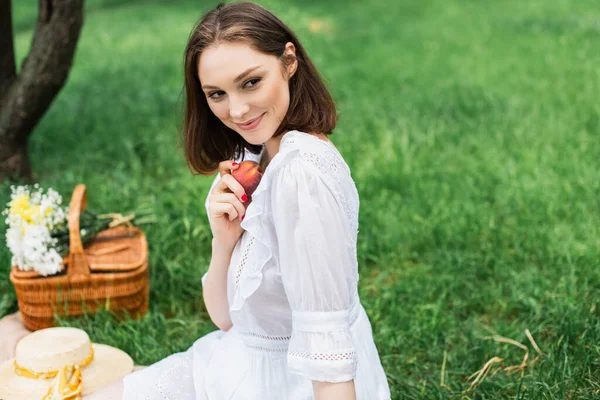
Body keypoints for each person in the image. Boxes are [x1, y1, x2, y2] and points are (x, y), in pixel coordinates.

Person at [89, 2, 391, 399]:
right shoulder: (258, 153)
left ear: (289, 61)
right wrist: (224, 240)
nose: (237, 110)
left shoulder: (301, 175)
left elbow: (328, 350)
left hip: (289, 383)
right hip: (241, 361)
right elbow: (227, 320)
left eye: (250, 82)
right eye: (217, 93)